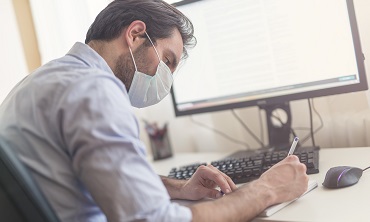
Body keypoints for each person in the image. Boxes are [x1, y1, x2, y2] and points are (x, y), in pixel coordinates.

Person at [0, 0, 309, 221]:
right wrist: (266, 190)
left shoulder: (40, 81)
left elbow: (97, 176)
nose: (167, 80)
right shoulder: (95, 90)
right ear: (135, 35)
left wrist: (180, 188)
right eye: (168, 61)